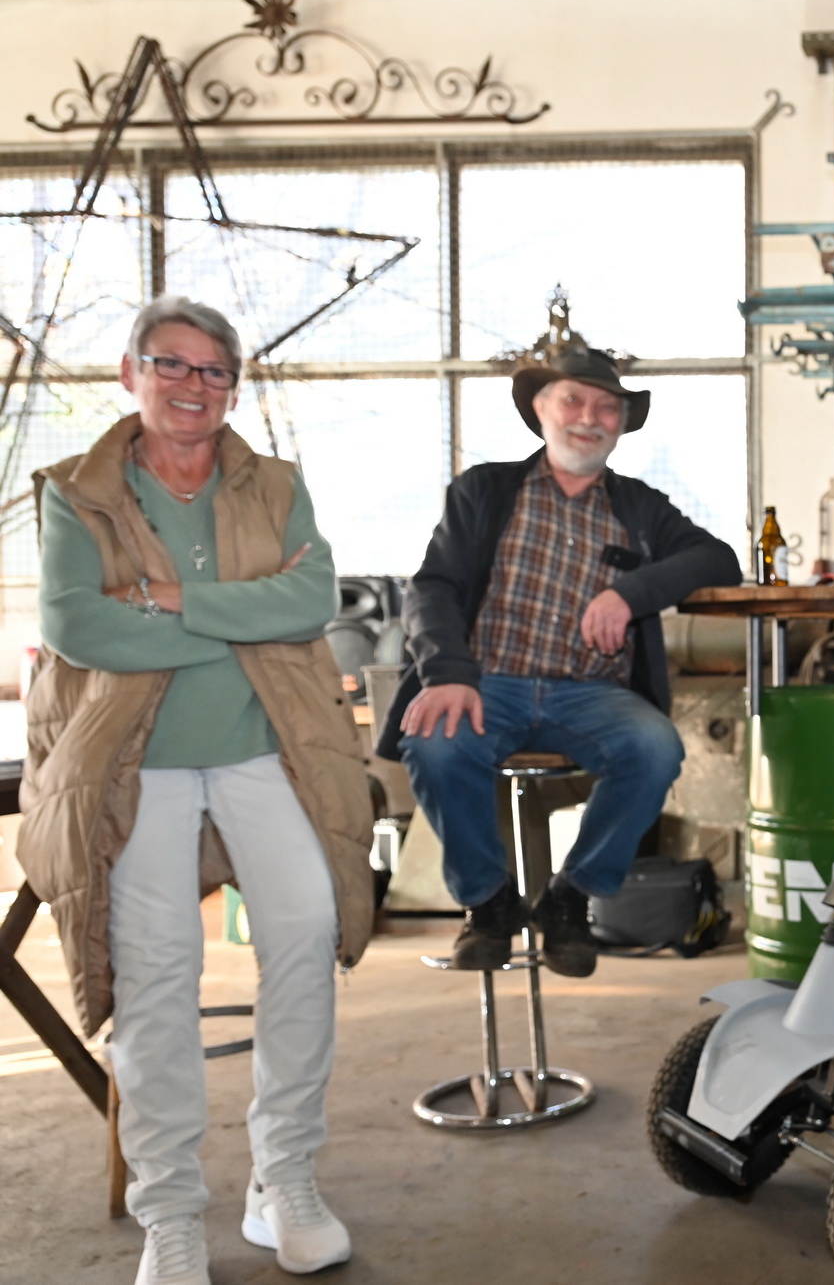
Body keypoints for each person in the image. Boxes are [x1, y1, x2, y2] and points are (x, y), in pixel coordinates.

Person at [21, 296, 374, 1285]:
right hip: (142, 763)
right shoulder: (75, 492)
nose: (192, 386)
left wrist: (170, 598)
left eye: (214, 371)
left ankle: (283, 1183)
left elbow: (312, 601)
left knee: (305, 930)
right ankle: (171, 1212)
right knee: (158, 975)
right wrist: (243, 617)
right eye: (171, 365)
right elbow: (81, 627)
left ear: (234, 387)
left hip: (265, 747)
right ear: (130, 374)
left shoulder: (274, 484)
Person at [377, 345, 740, 979]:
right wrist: (448, 676)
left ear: (622, 424)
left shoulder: (640, 507)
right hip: (488, 683)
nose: (590, 418)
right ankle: (488, 903)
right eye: (573, 400)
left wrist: (629, 593)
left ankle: (572, 896)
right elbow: (431, 588)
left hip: (591, 695)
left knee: (654, 748)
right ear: (540, 410)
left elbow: (717, 560)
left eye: (608, 407)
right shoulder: (485, 490)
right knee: (435, 745)